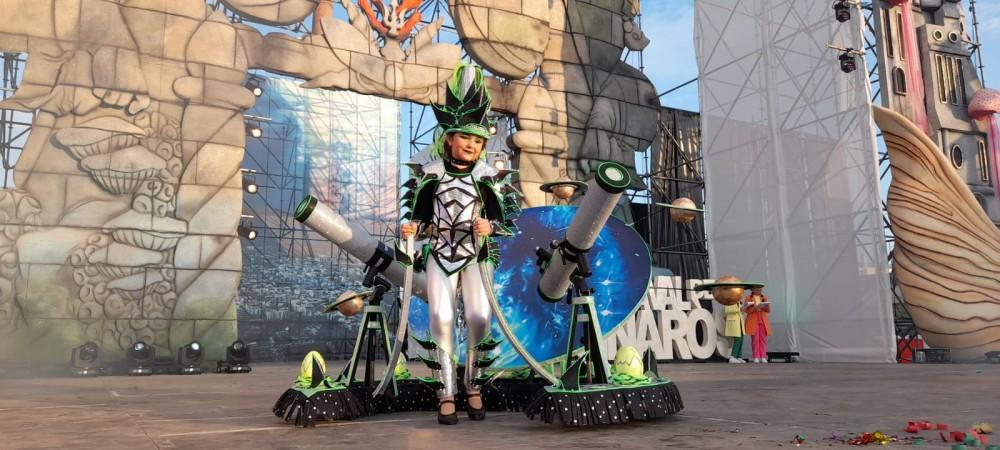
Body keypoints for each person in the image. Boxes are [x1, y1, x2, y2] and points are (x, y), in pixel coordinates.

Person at [399, 63, 516, 425]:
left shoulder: (488, 178)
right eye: (465, 137)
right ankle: (446, 392)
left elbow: (507, 225)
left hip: (478, 256)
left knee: (479, 317)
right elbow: (418, 220)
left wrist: (490, 226)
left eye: (478, 141)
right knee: (441, 316)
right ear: (449, 137)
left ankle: (474, 386)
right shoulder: (430, 175)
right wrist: (411, 229)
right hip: (440, 253)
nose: (471, 144)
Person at [743, 286, 771, 363]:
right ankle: (756, 357)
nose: (759, 291)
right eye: (757, 289)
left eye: (760, 290)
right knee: (755, 340)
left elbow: (768, 310)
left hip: (762, 321)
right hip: (753, 321)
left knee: (763, 339)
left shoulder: (764, 297)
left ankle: (763, 356)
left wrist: (766, 305)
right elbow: (747, 311)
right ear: (752, 290)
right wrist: (755, 307)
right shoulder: (748, 298)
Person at [723, 297, 746, 363]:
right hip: (733, 322)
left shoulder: (738, 301)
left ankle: (739, 356)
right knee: (737, 339)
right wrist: (739, 309)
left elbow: (739, 311)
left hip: (739, 322)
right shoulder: (728, 300)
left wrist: (744, 308)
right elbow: (727, 311)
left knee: (741, 339)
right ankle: (732, 357)